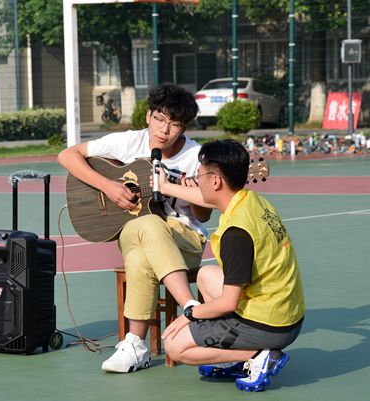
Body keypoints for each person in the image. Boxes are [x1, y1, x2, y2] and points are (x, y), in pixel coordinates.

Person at [57, 82, 212, 373]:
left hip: (185, 240)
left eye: (174, 124)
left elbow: (202, 216)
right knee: (146, 225)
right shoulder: (130, 142)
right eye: (160, 119)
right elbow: (67, 155)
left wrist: (191, 191)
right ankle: (192, 308)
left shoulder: (197, 157)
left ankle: (135, 345)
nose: (164, 130)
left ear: (184, 127)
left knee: (142, 248)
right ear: (148, 116)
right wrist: (108, 186)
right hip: (134, 231)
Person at [158, 139, 305, 392]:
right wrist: (165, 186)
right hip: (286, 310)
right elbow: (206, 198)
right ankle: (241, 354)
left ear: (216, 181)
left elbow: (228, 303)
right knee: (206, 275)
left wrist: (189, 314)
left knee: (174, 345)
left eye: (199, 175)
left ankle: (258, 354)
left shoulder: (236, 234)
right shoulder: (251, 200)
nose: (196, 180)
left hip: (269, 324)